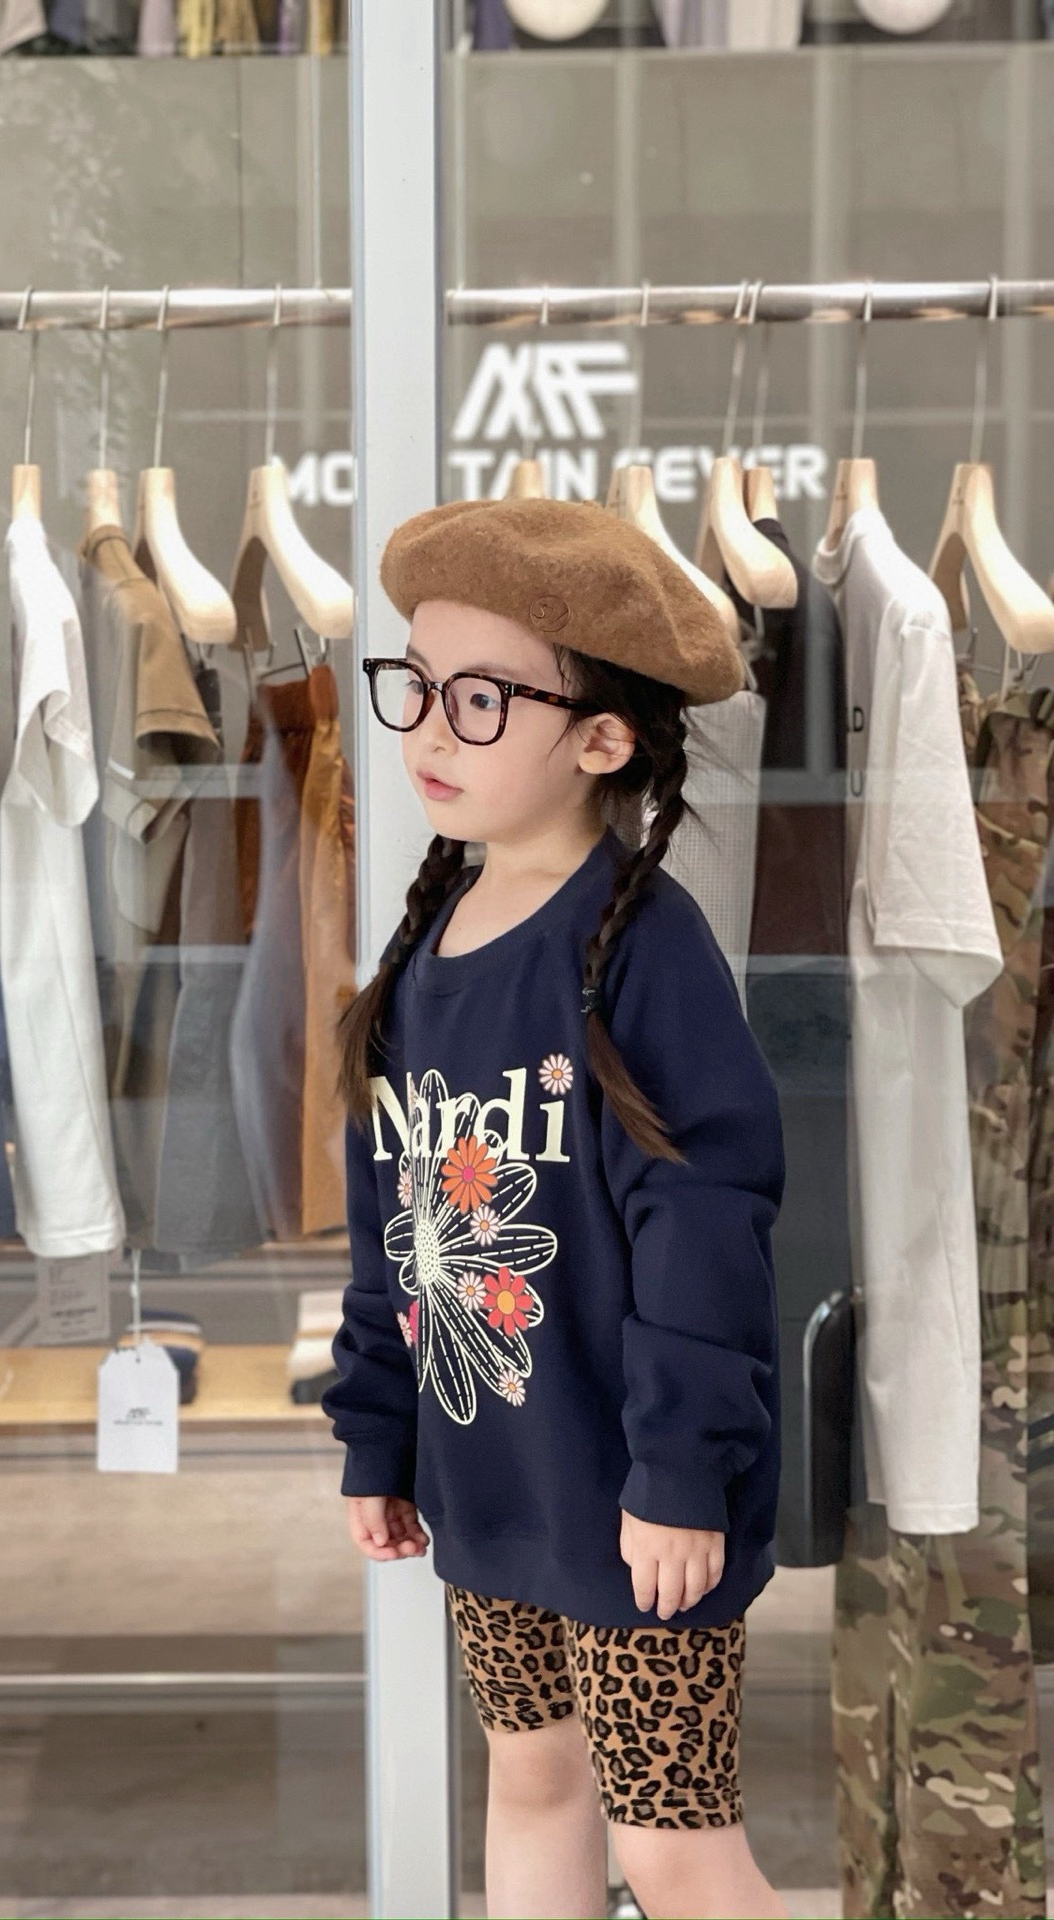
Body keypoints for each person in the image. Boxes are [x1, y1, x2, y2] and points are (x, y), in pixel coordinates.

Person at [323, 498, 786, 1920]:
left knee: (673, 1845)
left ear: (602, 740)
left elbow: (706, 1225)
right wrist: (378, 1432)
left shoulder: (641, 951)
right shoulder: (421, 949)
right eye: (414, 685)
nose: (429, 731)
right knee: (532, 1787)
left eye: (481, 701)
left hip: (638, 1499)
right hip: (491, 1487)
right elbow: (394, 1230)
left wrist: (682, 1473)